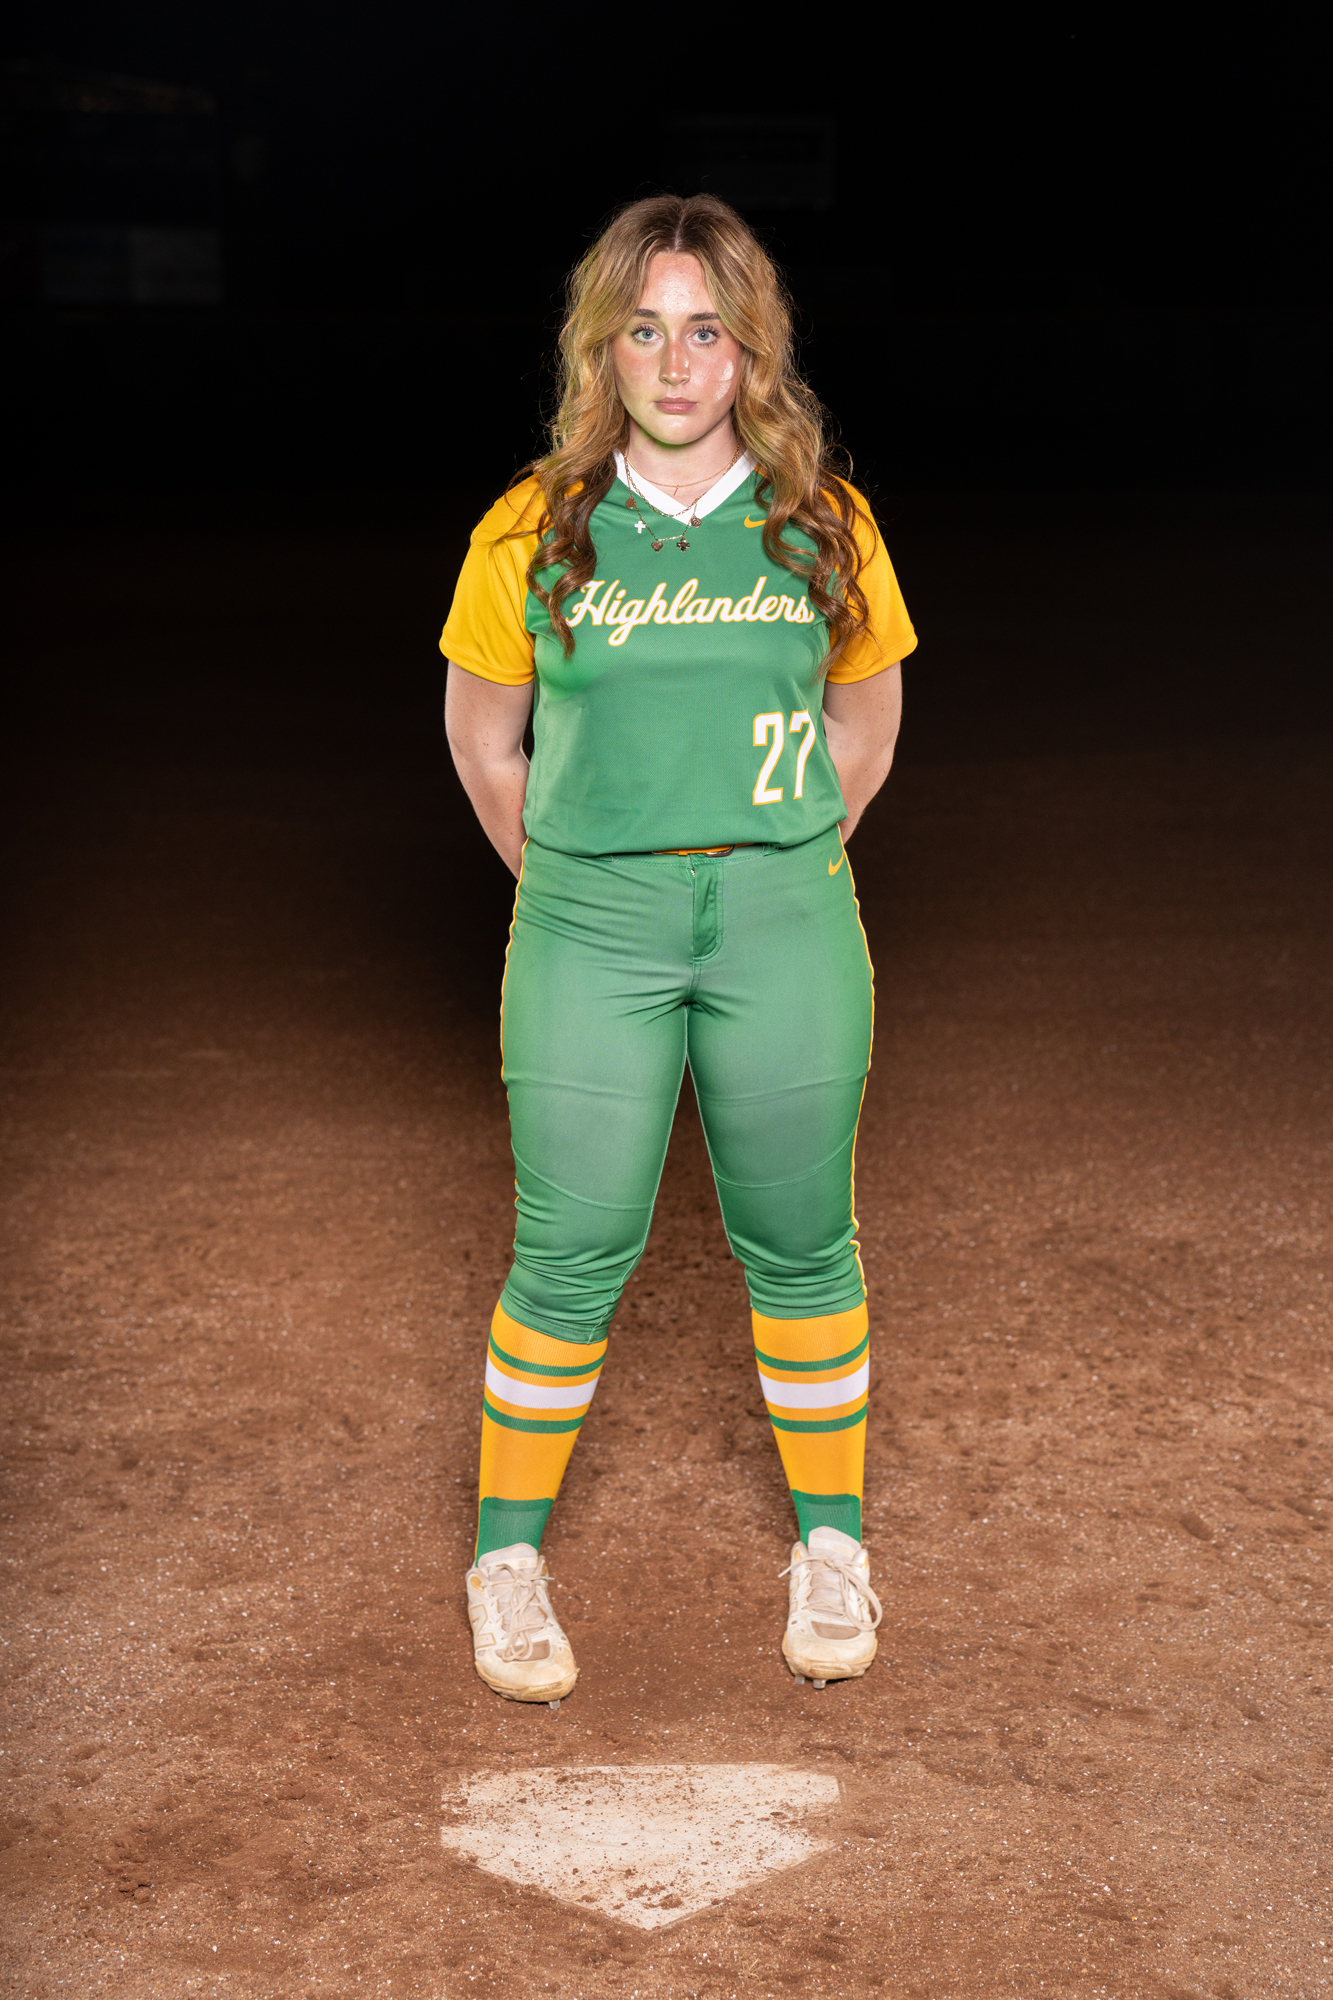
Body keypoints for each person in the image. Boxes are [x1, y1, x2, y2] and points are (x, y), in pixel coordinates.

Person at [441, 193, 916, 1706]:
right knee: (568, 1251)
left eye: (706, 329)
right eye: (642, 329)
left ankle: (830, 1541)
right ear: (601, 349)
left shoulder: (826, 523)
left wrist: (778, 861)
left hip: (786, 919)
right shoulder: (533, 527)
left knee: (804, 1240)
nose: (673, 360)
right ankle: (505, 1562)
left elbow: (865, 721)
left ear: (751, 351)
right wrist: (583, 889)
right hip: (592, 926)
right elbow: (485, 744)